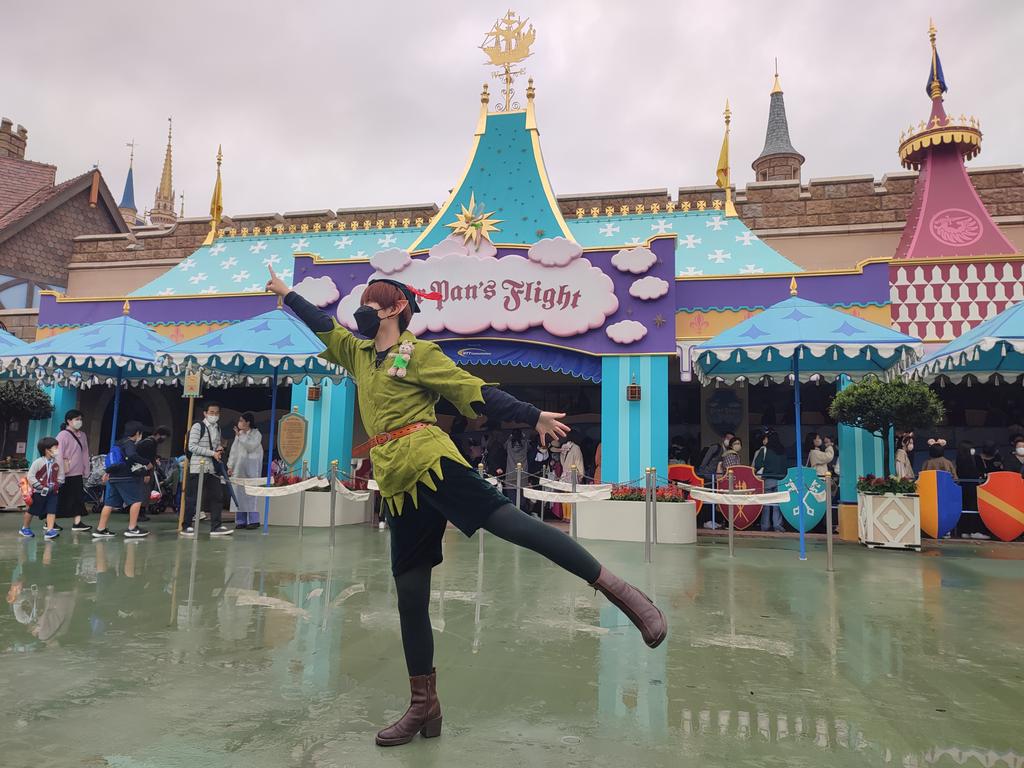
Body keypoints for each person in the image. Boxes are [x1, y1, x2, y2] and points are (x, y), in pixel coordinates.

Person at [267, 267, 666, 747]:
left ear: (396, 309)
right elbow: (323, 325)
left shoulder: (419, 354)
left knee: (516, 526)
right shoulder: (358, 354)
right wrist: (288, 293)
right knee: (410, 594)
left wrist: (532, 414)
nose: (363, 311)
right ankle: (424, 706)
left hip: (432, 461)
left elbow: (472, 390)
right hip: (397, 481)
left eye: (373, 303)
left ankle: (625, 595)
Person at [182, 402, 233, 537]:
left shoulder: (217, 428)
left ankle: (216, 527)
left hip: (211, 469)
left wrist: (219, 449)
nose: (214, 415)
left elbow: (214, 446)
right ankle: (186, 526)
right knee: (192, 497)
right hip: (197, 467)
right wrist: (212, 453)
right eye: (211, 412)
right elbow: (192, 446)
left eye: (216, 413)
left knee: (217, 496)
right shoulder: (198, 426)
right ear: (205, 413)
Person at [93, 421, 150, 538]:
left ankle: (100, 529)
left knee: (109, 503)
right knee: (136, 500)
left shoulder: (118, 443)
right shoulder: (130, 443)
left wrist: (107, 472)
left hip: (114, 477)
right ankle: (132, 528)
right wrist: (146, 462)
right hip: (126, 477)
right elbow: (132, 455)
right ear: (137, 433)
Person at [55, 409, 92, 532]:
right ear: (69, 421)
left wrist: (86, 470)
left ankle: (77, 522)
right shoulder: (62, 435)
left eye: (80, 419)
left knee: (77, 498)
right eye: (77, 419)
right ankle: (50, 521)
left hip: (77, 473)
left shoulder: (83, 435)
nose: (79, 422)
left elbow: (85, 453)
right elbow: (58, 454)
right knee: (60, 498)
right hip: (64, 473)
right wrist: (60, 473)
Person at [20, 437, 64, 540]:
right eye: (55, 448)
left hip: (53, 492)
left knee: (52, 510)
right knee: (32, 510)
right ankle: (25, 528)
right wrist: (39, 486)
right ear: (47, 450)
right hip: (39, 492)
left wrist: (58, 484)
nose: (57, 450)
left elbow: (61, 476)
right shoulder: (38, 462)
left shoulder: (57, 462)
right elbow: (30, 476)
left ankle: (50, 530)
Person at [227, 412, 264, 530]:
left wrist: (240, 436)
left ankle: (254, 520)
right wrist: (230, 466)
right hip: (239, 469)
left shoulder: (256, 434)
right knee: (239, 494)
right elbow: (233, 451)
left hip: (251, 470)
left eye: (241, 420)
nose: (239, 423)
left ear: (248, 422)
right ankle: (241, 520)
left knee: (251, 494)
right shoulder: (239, 435)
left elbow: (251, 446)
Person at [753, 430, 787, 532]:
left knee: (766, 504)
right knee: (777, 505)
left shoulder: (764, 450)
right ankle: (777, 525)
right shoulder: (782, 450)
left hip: (768, 479)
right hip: (781, 480)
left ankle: (765, 526)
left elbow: (757, 464)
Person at [135, 426, 171, 520]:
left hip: (142, 470)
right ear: (158, 434)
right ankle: (140, 513)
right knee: (144, 491)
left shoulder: (148, 442)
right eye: (164, 437)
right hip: (144, 471)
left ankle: (140, 513)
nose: (164, 439)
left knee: (144, 492)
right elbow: (147, 460)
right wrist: (146, 474)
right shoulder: (150, 443)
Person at [503, 429, 529, 510]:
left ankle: (513, 511)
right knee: (522, 497)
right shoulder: (525, 444)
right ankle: (522, 511)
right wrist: (524, 437)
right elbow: (530, 447)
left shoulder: (509, 444)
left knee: (512, 497)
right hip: (523, 474)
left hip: (510, 473)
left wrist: (510, 438)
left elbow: (504, 446)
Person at [955, 440, 980, 511]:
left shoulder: (959, 459)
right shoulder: (975, 459)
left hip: (964, 486)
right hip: (972, 486)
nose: (973, 450)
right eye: (972, 448)